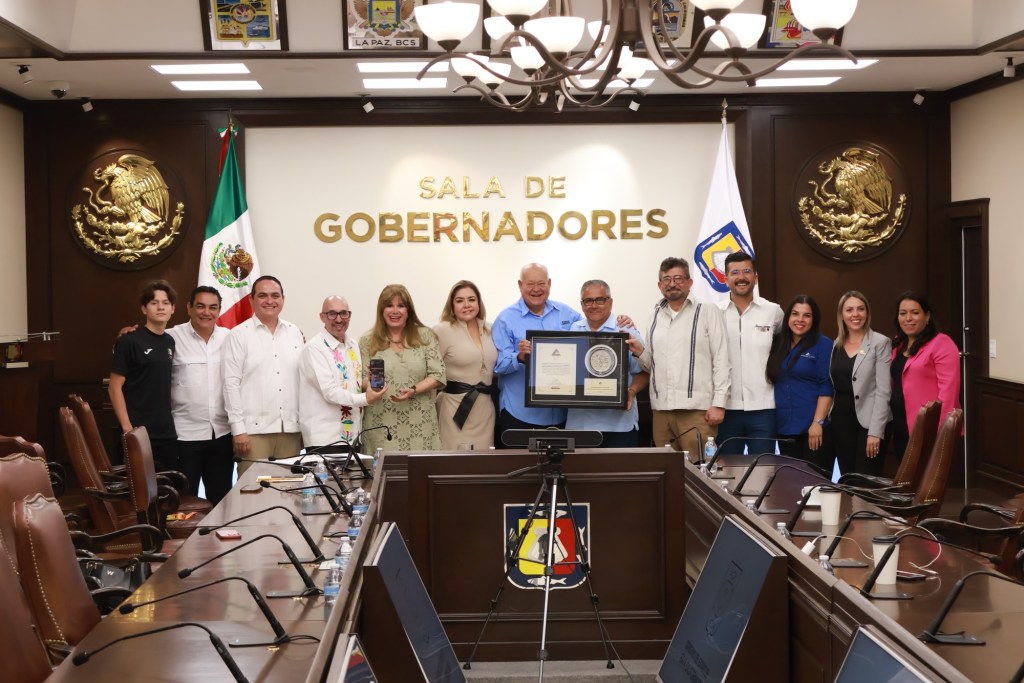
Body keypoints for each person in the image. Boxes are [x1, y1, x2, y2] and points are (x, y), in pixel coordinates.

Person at [636, 257, 730, 453]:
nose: (672, 283)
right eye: (666, 279)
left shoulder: (707, 310)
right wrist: (639, 352)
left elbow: (722, 359)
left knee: (699, 473)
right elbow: (652, 365)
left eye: (678, 278)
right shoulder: (654, 315)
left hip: (697, 412)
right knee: (667, 472)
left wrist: (719, 404)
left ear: (690, 282)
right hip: (661, 411)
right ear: (659, 285)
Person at [491, 263, 584, 444]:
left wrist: (620, 322)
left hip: (561, 413)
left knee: (558, 469)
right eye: (530, 284)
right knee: (521, 469)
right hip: (519, 414)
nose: (536, 289)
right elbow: (499, 366)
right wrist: (519, 357)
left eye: (541, 284)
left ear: (549, 283)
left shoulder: (566, 313)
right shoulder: (505, 319)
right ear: (520, 285)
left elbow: (591, 333)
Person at [222, 275, 304, 476]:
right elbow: (230, 384)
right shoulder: (238, 335)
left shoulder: (294, 333)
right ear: (251, 300)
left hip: (290, 431)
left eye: (275, 295)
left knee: (289, 494)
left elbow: (302, 382)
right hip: (252, 434)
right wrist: (238, 430)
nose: (270, 301)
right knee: (253, 495)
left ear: (283, 299)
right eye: (263, 295)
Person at [165, 286, 234, 503]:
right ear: (189, 308)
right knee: (184, 503)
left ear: (219, 310)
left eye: (213, 307)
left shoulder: (230, 338)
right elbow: (142, 347)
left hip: (222, 434)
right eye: (201, 306)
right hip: (185, 436)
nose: (207, 312)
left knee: (221, 500)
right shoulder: (170, 337)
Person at [359, 284, 446, 453]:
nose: (395, 311)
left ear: (408, 310)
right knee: (382, 476)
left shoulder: (425, 335)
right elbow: (362, 379)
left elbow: (438, 374)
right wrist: (369, 383)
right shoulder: (367, 340)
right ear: (381, 310)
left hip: (420, 423)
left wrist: (413, 389)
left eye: (401, 305)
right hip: (381, 424)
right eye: (389, 305)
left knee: (421, 475)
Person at [565, 280, 648, 447]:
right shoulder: (573, 330)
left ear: (610, 302)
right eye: (588, 300)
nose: (594, 305)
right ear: (582, 304)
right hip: (579, 426)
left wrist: (631, 392)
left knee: (618, 473)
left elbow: (645, 371)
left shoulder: (626, 331)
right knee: (581, 473)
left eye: (600, 300)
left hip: (619, 426)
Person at [716, 252, 784, 456]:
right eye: (734, 272)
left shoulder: (773, 311)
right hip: (725, 408)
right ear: (725, 278)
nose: (741, 277)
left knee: (763, 471)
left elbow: (783, 348)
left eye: (747, 271)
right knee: (726, 472)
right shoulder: (713, 312)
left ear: (756, 276)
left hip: (764, 407)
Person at [299, 295, 387, 450]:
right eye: (332, 314)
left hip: (353, 436)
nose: (339, 319)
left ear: (350, 316)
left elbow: (353, 384)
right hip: (325, 439)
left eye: (343, 313)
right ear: (322, 317)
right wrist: (366, 398)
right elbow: (330, 392)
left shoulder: (352, 345)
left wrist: (370, 384)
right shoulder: (314, 348)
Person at [109, 280, 178, 469]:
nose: (160, 307)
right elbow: (114, 388)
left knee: (169, 491)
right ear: (144, 309)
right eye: (154, 303)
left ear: (173, 308)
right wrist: (127, 428)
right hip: (138, 431)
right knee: (140, 494)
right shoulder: (129, 341)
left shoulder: (170, 341)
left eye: (165, 303)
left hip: (166, 432)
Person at [888, 291, 961, 459]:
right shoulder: (898, 343)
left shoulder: (942, 343)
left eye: (915, 313)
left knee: (925, 482)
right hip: (900, 425)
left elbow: (949, 392)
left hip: (928, 428)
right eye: (903, 313)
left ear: (927, 316)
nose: (908, 318)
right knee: (906, 481)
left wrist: (941, 432)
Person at [766, 295, 834, 471]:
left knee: (815, 485)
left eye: (807, 315)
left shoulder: (823, 344)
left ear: (814, 319)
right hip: (784, 429)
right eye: (795, 314)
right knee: (789, 485)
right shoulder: (777, 342)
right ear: (788, 317)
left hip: (812, 429)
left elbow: (826, 386)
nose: (800, 320)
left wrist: (817, 423)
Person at [829, 291, 891, 477]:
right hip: (841, 421)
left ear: (867, 313)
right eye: (849, 310)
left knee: (866, 479)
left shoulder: (880, 342)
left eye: (860, 309)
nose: (855, 314)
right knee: (848, 477)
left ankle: (867, 509)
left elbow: (883, 390)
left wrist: (875, 432)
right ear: (842, 315)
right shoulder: (835, 345)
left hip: (869, 423)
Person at [434, 281, 497, 450]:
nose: (467, 305)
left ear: (479, 302)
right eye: (460, 300)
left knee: (483, 466)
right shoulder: (442, 331)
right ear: (452, 305)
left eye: (471, 299)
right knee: (454, 466)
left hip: (485, 412)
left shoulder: (492, 329)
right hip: (455, 411)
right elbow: (431, 371)